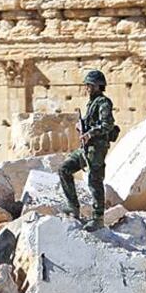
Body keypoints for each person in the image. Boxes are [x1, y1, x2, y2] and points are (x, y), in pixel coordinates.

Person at [57, 69, 116, 231]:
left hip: (97, 148)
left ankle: (98, 218)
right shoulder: (92, 103)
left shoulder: (104, 103)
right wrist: (81, 126)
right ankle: (73, 207)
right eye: (87, 85)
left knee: (95, 180)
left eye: (90, 85)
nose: (87, 87)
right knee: (64, 169)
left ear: (98, 86)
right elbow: (91, 122)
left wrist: (91, 133)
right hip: (86, 147)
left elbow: (107, 124)